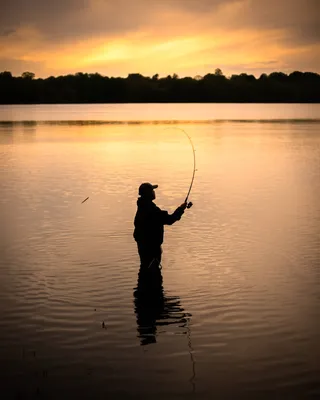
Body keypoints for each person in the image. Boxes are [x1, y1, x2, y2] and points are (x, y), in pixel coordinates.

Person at [133, 182, 191, 270]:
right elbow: (170, 220)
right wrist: (181, 209)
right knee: (153, 276)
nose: (154, 192)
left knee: (144, 273)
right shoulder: (152, 210)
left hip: (144, 248)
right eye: (152, 190)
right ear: (148, 193)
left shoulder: (142, 208)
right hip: (152, 250)